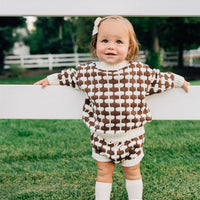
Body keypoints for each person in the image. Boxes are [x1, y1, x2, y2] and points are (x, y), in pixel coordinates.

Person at [34, 16, 190, 200]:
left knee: (132, 171)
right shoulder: (88, 72)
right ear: (96, 44)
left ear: (129, 48)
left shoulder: (138, 72)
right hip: (101, 137)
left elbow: (159, 78)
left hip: (132, 136)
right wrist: (50, 80)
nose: (111, 46)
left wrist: (179, 81)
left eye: (118, 41)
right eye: (105, 40)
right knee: (102, 172)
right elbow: (70, 76)